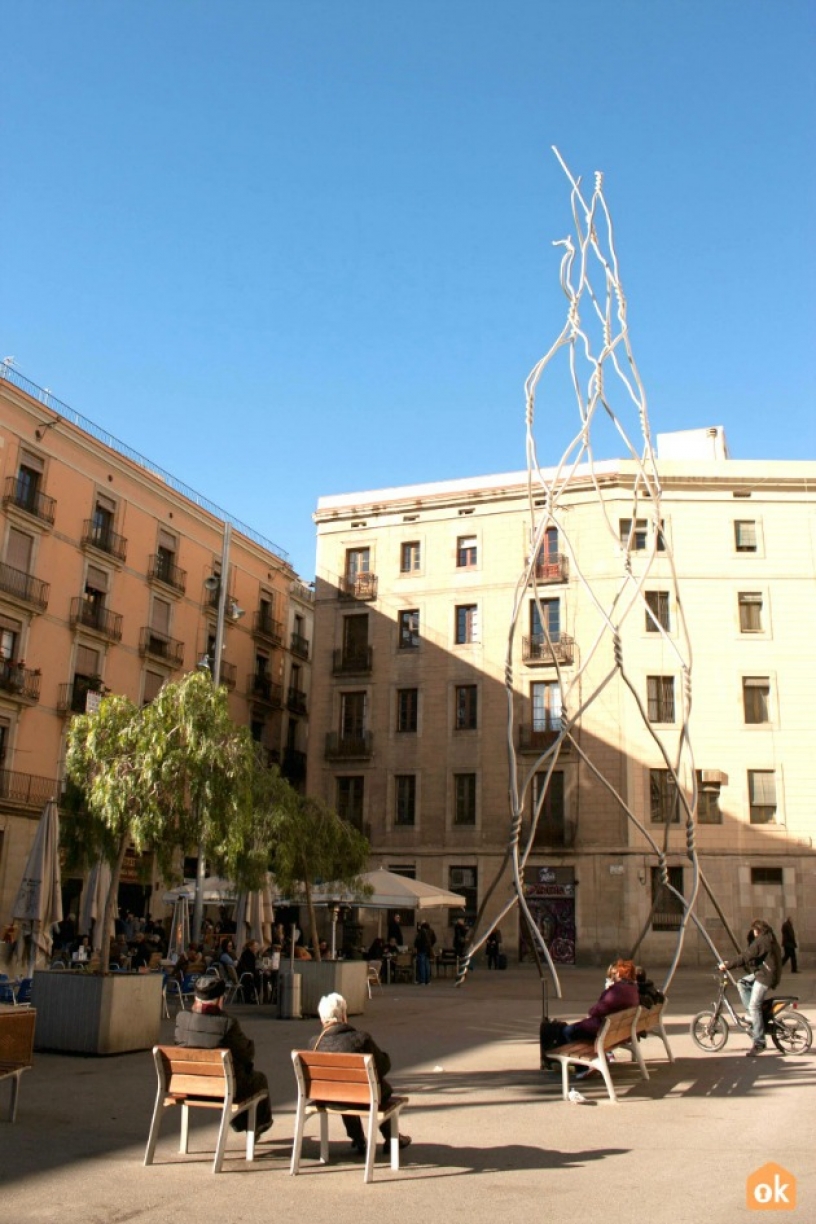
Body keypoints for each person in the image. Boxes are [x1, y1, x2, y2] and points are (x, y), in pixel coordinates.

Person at [310, 992, 411, 1156]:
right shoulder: (360, 1039)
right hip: (363, 1097)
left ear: (322, 1019)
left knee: (344, 1088)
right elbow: (383, 1066)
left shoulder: (314, 1043)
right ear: (343, 1015)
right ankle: (392, 1138)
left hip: (328, 1097)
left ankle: (358, 1138)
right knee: (375, 1088)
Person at [174, 976, 273, 1136]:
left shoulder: (181, 1018)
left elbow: (179, 1043)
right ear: (220, 1000)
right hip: (221, 1087)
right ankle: (255, 1125)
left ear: (195, 997)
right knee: (258, 1079)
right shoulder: (227, 1023)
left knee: (241, 1078)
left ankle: (242, 1122)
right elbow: (247, 1054)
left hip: (186, 1085)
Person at [540, 959, 640, 1065]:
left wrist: (607, 990)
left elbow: (596, 1010)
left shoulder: (617, 990)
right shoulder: (632, 989)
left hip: (602, 1030)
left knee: (568, 1031)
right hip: (618, 1031)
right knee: (572, 1029)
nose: (613, 976)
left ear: (619, 973)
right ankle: (579, 1062)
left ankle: (581, 1064)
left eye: (614, 974)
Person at [719, 918, 783, 1056]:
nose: (753, 933)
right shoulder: (769, 938)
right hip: (766, 973)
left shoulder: (761, 941)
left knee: (755, 1006)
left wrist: (727, 965)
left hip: (765, 977)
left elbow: (746, 956)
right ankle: (753, 1017)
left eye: (754, 930)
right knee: (742, 983)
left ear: (757, 930)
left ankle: (759, 1043)